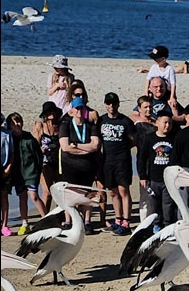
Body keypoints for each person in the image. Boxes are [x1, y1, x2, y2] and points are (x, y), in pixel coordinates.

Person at [58, 96, 101, 233]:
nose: (80, 111)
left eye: (82, 108)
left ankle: (87, 221)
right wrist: (84, 149)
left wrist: (76, 146)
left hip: (87, 166)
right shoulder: (66, 125)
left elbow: (95, 145)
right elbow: (65, 147)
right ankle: (69, 221)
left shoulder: (90, 125)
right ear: (72, 110)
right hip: (69, 165)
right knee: (70, 193)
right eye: (77, 109)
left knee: (87, 193)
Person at [3, 113, 47, 235]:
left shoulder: (29, 139)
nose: (17, 124)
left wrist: (37, 172)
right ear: (9, 125)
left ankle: (47, 220)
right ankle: (25, 223)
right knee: (22, 197)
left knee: (34, 196)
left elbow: (38, 156)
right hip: (17, 175)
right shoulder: (9, 138)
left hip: (31, 173)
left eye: (18, 121)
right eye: (13, 123)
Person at [98, 93, 135, 235]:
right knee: (113, 192)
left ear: (118, 104)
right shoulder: (102, 121)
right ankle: (118, 219)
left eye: (114, 104)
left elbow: (133, 140)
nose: (111, 106)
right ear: (105, 104)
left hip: (122, 160)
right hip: (107, 160)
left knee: (123, 190)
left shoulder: (125, 121)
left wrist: (123, 148)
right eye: (109, 104)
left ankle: (126, 221)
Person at [141, 113, 177, 230]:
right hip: (153, 178)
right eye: (165, 122)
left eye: (170, 123)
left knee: (168, 205)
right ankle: (156, 224)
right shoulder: (150, 138)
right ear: (157, 123)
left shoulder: (174, 138)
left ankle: (167, 225)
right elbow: (142, 158)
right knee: (154, 204)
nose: (167, 125)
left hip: (168, 179)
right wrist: (142, 176)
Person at [31, 101, 62, 212]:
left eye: (53, 111)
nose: (51, 113)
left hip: (58, 162)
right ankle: (45, 218)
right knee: (47, 192)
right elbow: (34, 146)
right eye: (49, 111)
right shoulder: (40, 126)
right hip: (44, 162)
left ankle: (61, 216)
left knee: (59, 191)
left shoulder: (59, 125)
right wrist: (42, 150)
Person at [145, 45, 178, 111]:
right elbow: (148, 79)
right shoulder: (154, 67)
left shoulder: (169, 69)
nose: (154, 60)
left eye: (156, 58)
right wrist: (145, 92)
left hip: (166, 92)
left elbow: (173, 84)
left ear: (163, 59)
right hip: (154, 90)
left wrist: (172, 96)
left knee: (172, 104)